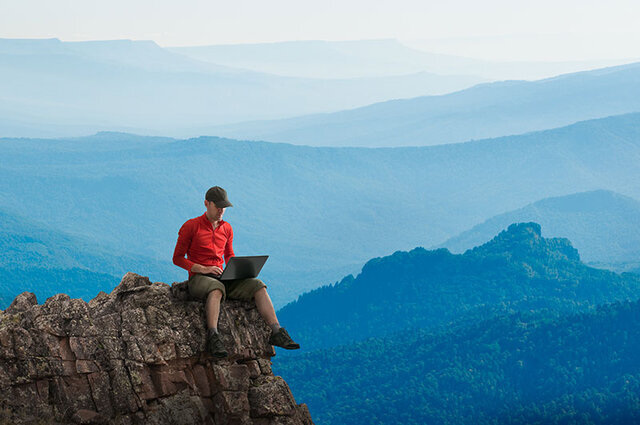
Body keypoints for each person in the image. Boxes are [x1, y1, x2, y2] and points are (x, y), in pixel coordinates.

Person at [172, 186, 300, 358]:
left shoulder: (227, 228)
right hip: (199, 278)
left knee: (258, 285)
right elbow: (177, 258)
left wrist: (239, 269)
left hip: (222, 276)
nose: (221, 210)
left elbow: (229, 255)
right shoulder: (191, 226)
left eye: (223, 207)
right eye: (217, 206)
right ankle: (213, 336)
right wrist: (202, 268)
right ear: (206, 204)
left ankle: (277, 331)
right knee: (216, 289)